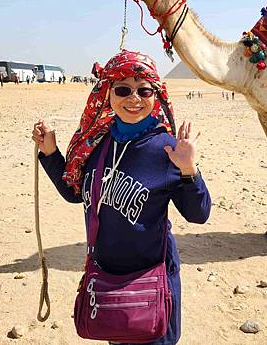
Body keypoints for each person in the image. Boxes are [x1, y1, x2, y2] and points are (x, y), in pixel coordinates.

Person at [31, 50, 211, 345]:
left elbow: (199, 214)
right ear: (107, 92)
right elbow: (76, 195)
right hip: (107, 281)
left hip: (152, 283)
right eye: (123, 89)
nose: (134, 98)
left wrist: (190, 170)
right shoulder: (96, 144)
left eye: (144, 90)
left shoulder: (168, 148)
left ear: (156, 94)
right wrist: (51, 153)